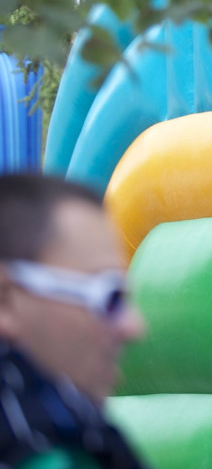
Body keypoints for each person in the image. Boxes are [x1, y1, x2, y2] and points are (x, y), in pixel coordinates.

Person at [0, 173, 146, 469]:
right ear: (6, 302)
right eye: (110, 297)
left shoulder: (81, 433)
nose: (134, 328)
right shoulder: (44, 447)